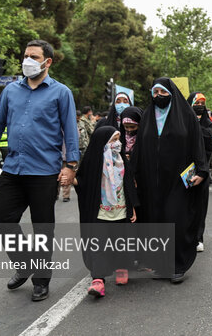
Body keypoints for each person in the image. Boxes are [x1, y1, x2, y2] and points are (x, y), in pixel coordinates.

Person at [0, 39, 79, 302]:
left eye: (34, 56)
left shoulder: (61, 92)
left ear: (48, 62)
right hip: (13, 168)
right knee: (1, 217)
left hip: (44, 171)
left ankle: (41, 281)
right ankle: (24, 263)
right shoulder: (11, 91)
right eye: (26, 56)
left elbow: (70, 132)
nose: (28, 61)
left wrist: (70, 166)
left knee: (43, 228)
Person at [132, 78, 208, 283]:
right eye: (154, 92)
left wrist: (202, 169)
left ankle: (177, 265)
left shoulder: (186, 116)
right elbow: (138, 147)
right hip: (151, 180)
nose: (158, 96)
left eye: (162, 92)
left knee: (176, 218)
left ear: (171, 93)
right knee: (155, 220)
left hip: (178, 180)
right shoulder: (148, 115)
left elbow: (197, 143)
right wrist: (134, 174)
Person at [74, 126, 138, 298]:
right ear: (102, 142)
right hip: (101, 212)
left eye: (118, 139)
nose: (118, 143)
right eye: (113, 140)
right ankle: (98, 279)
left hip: (121, 210)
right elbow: (83, 181)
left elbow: (129, 185)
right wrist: (72, 180)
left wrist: (132, 207)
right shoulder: (93, 161)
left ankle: (121, 267)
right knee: (99, 245)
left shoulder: (122, 160)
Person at [186, 91, 212, 252]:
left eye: (202, 104)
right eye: (196, 103)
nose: (200, 107)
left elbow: (208, 144)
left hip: (202, 171)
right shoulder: (182, 121)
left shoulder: (207, 123)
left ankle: (198, 237)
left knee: (200, 206)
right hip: (185, 171)